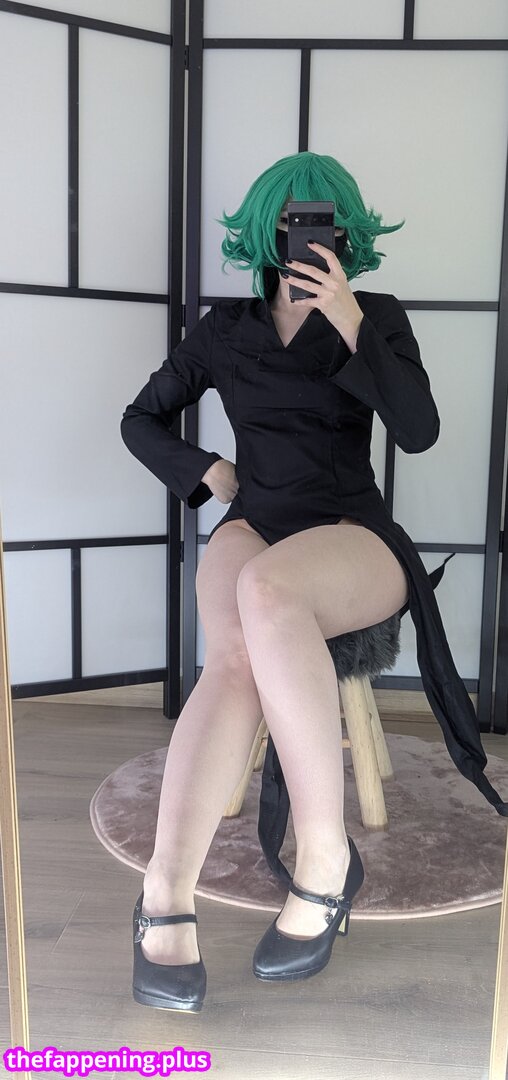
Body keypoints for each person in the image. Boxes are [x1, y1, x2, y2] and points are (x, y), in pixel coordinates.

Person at [121, 151, 508, 1013]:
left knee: (267, 591)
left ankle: (325, 860)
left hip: (351, 533)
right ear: (268, 230)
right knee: (233, 654)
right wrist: (205, 470)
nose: (310, 237)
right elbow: (140, 417)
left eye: (326, 224)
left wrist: (351, 319)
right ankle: (164, 891)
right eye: (295, 222)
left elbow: (419, 431)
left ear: (347, 235)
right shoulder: (225, 329)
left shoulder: (377, 316)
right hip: (257, 518)